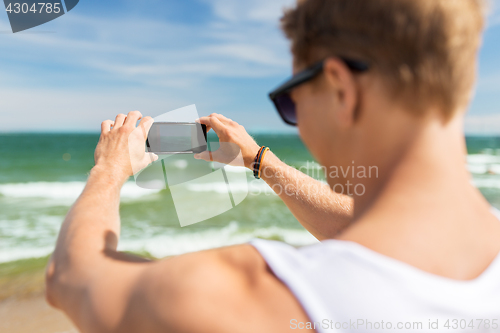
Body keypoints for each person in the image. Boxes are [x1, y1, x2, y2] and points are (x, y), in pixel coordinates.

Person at [46, 0, 500, 332]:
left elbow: (70, 276)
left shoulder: (251, 296)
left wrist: (109, 169)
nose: (298, 123)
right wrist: (259, 161)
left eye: (292, 103)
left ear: (342, 90)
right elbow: (360, 233)